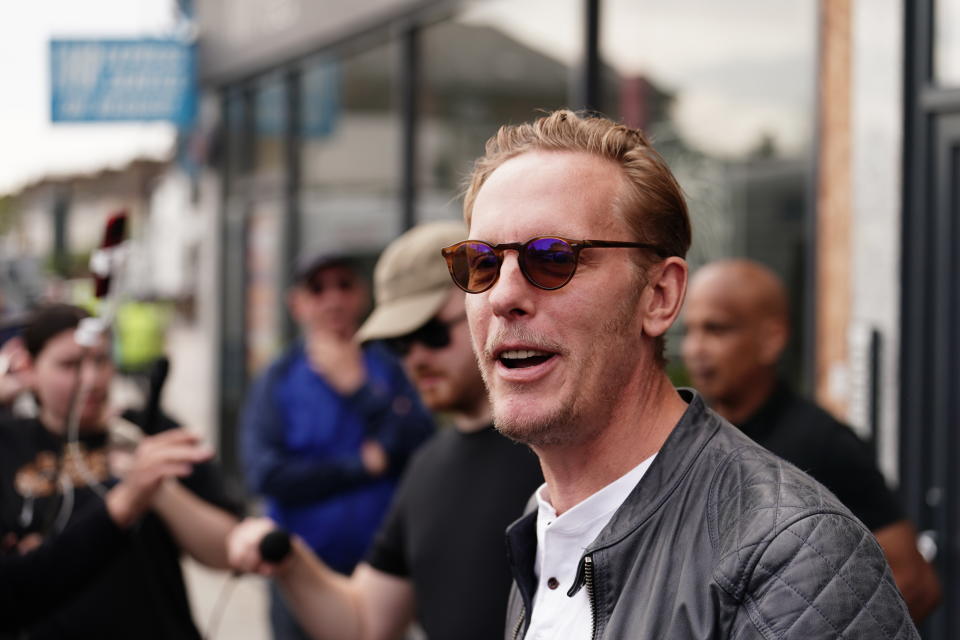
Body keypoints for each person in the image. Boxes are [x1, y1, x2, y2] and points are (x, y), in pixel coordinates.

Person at [448, 110, 914, 638]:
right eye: (481, 262)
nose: (504, 294)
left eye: (554, 258)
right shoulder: (546, 525)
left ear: (660, 296)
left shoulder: (791, 554)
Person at [228, 221, 544, 640]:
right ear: (296, 303)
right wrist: (291, 561)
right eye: (400, 342)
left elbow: (408, 432)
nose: (415, 357)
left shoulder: (554, 449)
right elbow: (366, 622)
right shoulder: (428, 466)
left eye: (430, 333)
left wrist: (360, 389)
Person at [681, 258, 941, 622]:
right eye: (689, 331)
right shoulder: (690, 436)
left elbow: (915, 581)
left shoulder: (824, 443)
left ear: (771, 339)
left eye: (717, 330)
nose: (695, 349)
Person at [0, 303, 240, 639]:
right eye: (70, 365)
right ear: (29, 367)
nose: (92, 379)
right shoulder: (9, 441)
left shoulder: (148, 430)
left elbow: (228, 550)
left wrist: (157, 488)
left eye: (100, 360)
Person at [238, 250, 434, 639]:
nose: (333, 299)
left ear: (361, 295)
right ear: (297, 304)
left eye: (344, 285)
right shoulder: (276, 379)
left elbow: (423, 445)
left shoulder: (394, 366)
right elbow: (265, 473)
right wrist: (362, 467)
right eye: (318, 289)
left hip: (382, 574)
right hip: (301, 572)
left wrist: (359, 389)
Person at [0, 428, 213, 630]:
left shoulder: (141, 427)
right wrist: (122, 504)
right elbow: (16, 591)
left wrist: (159, 490)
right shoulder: (10, 438)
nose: (92, 387)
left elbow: (223, 548)